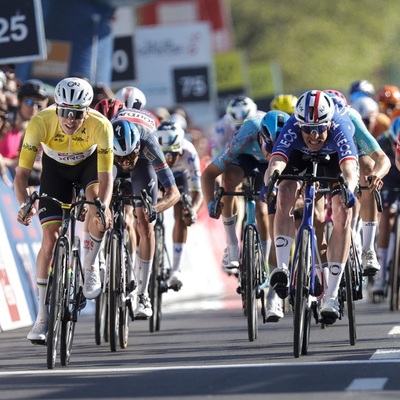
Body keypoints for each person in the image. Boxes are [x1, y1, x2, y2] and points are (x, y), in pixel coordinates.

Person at [15, 77, 114, 342]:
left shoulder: (101, 125)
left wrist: (103, 207)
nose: (70, 119)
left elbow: (106, 178)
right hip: (55, 171)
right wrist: (24, 204)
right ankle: (42, 316)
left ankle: (90, 265)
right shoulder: (40, 122)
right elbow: (21, 174)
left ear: (87, 111)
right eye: (65, 112)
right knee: (50, 238)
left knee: (97, 207)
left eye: (77, 114)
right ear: (56, 107)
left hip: (88, 167)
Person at [263, 90, 361, 323]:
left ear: (329, 123)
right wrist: (270, 183)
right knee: (284, 191)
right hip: (299, 156)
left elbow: (349, 168)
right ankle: (283, 268)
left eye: (320, 128)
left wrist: (348, 189)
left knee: (342, 213)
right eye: (308, 129)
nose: (314, 135)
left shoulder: (340, 126)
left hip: (334, 158)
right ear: (299, 124)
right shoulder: (292, 127)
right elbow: (276, 162)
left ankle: (332, 296)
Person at [202, 110, 290, 321]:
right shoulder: (249, 131)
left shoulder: (289, 140)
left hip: (277, 166)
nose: (270, 153)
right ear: (261, 137)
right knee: (228, 180)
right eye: (268, 147)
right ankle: (232, 246)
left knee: (268, 215)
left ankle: (273, 296)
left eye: (275, 149)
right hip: (246, 158)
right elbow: (209, 174)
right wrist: (212, 202)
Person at [111, 108, 180, 318]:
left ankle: (142, 294)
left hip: (144, 162)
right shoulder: (104, 140)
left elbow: (174, 193)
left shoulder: (149, 144)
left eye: (129, 156)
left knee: (145, 223)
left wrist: (154, 208)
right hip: (110, 157)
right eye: (121, 158)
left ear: (137, 147)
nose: (126, 162)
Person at [211, 95, 265, 273]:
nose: (242, 130)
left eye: (245, 125)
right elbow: (218, 160)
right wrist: (220, 185)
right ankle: (232, 243)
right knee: (228, 185)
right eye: (237, 127)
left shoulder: (263, 119)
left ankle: (266, 254)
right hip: (237, 156)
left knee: (262, 211)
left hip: (261, 157)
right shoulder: (222, 126)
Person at [156, 121, 203, 289]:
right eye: (164, 154)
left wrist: (193, 211)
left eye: (172, 154)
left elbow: (198, 191)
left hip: (179, 178)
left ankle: (176, 269)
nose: (168, 159)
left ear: (181, 150)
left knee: (183, 212)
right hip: (157, 174)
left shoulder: (189, 152)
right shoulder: (151, 149)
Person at [0, 80, 49, 186]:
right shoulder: (4, 121)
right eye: (29, 102)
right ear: (19, 101)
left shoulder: (30, 132)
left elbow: (41, 165)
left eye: (38, 105)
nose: (34, 108)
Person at [371, 118, 400, 296]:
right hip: (390, 179)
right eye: (395, 144)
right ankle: (381, 275)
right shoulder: (382, 141)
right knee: (387, 215)